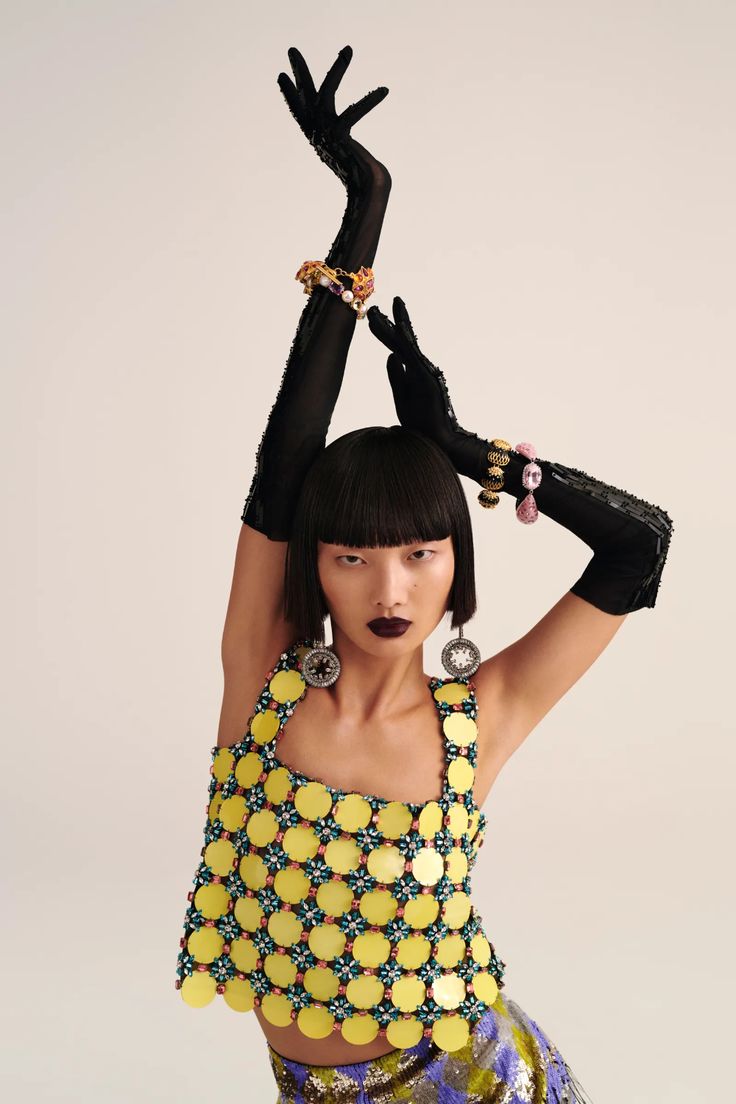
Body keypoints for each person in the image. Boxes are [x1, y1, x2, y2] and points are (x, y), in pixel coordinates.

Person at [174, 45, 673, 1103]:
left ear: (456, 561)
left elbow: (640, 545)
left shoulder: (480, 716)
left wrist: (461, 446)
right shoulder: (260, 678)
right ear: (316, 566)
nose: (389, 592)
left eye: (421, 554)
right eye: (352, 557)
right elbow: (282, 465)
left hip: (477, 1082)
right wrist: (365, 207)